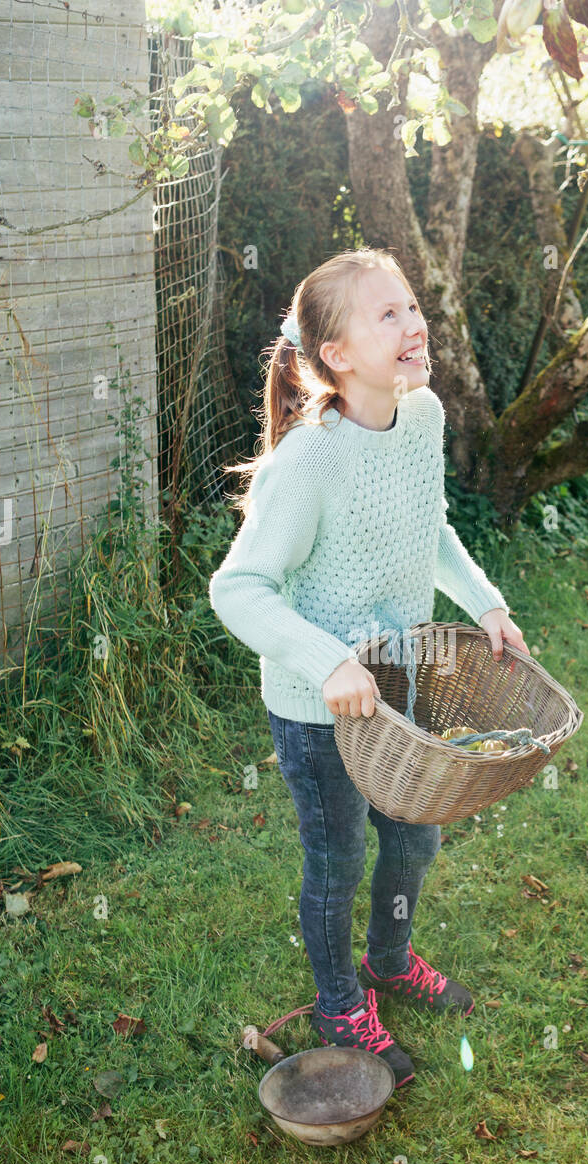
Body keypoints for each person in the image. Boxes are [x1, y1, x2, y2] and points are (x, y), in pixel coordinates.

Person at [208, 247, 529, 1087]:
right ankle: (339, 1001)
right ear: (337, 356)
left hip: (401, 689)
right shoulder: (308, 462)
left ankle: (388, 958)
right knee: (337, 859)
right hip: (320, 714)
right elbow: (238, 588)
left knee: (414, 838)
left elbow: (430, 525)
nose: (413, 323)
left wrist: (485, 602)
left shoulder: (422, 416)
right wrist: (324, 662)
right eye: (386, 314)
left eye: (411, 307)